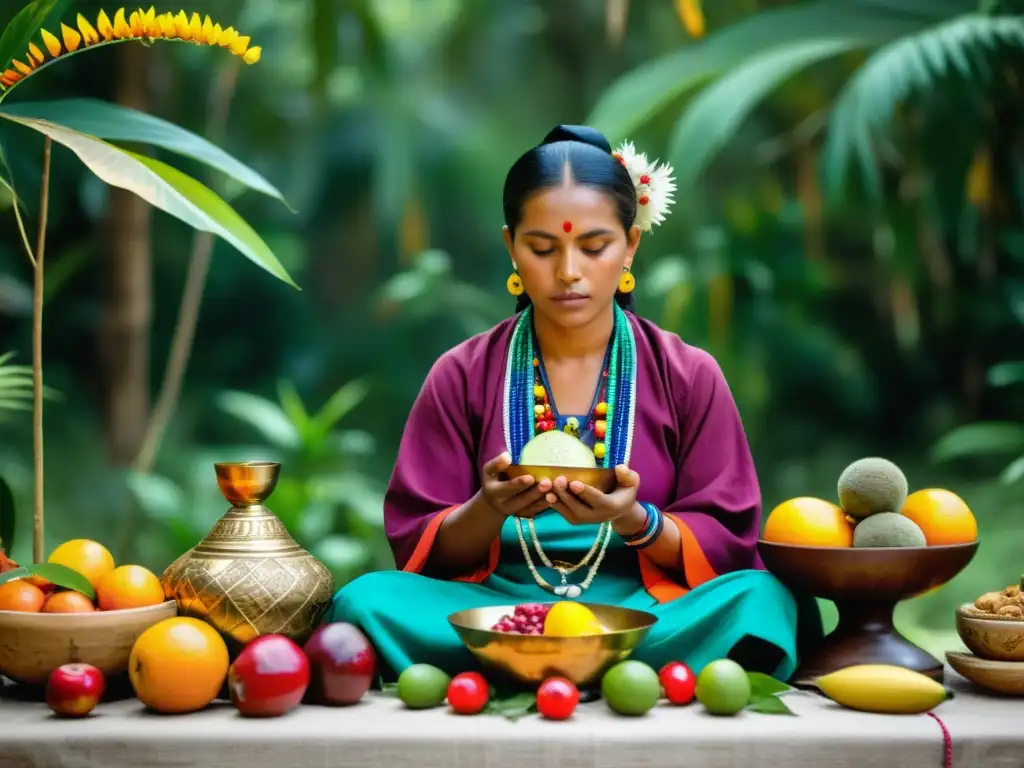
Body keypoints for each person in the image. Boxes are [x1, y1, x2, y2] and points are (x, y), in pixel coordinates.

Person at [326, 124, 822, 684]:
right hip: (493, 611)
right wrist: (488, 508)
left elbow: (728, 542)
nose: (568, 272)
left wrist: (636, 520)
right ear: (511, 245)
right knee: (365, 600)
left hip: (647, 611)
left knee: (761, 599)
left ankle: (518, 673)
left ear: (631, 244)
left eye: (594, 246)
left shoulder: (688, 374)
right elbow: (420, 546)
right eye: (542, 248)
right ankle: (596, 670)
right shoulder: (461, 374)